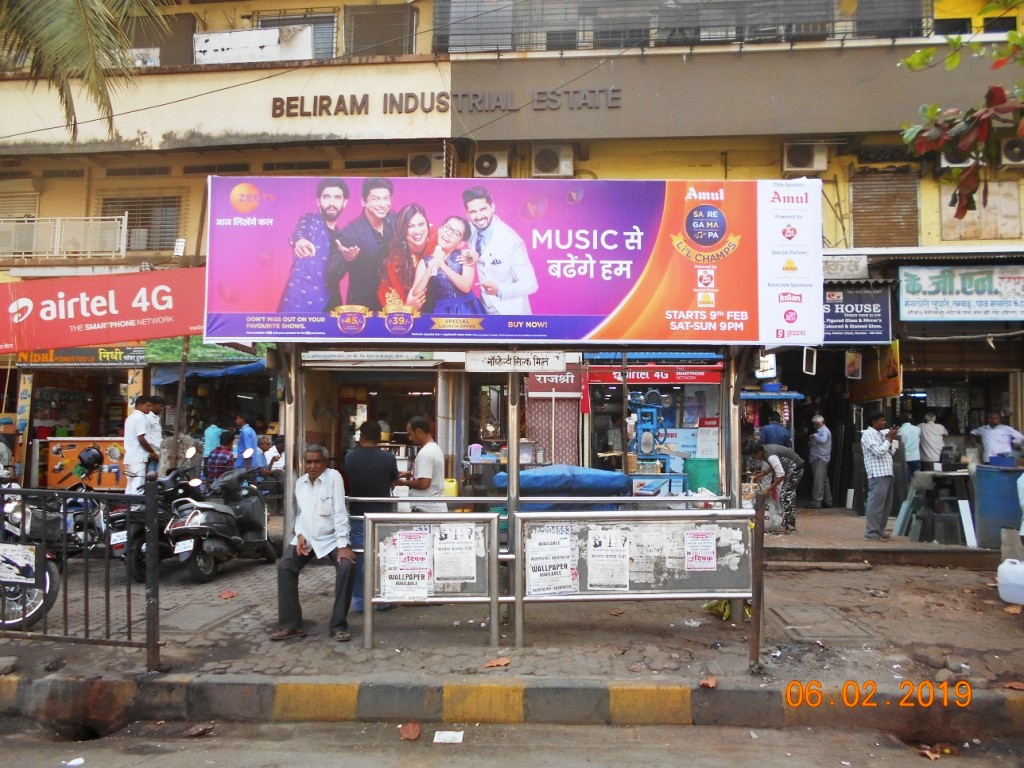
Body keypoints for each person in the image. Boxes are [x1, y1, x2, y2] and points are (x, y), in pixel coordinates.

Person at [271, 445, 357, 643]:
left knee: (346, 566)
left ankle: (338, 625)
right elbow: (300, 513)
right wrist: (299, 533)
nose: (312, 466)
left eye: (317, 461)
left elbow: (340, 512)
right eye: (308, 462)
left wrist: (343, 545)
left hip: (333, 539)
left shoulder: (333, 477)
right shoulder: (300, 483)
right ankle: (291, 625)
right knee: (285, 566)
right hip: (307, 538)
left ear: (325, 463)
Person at [344, 421, 398, 613]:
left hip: (358, 515)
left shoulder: (349, 457)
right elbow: (394, 480)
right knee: (383, 556)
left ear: (362, 436)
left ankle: (359, 602)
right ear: (379, 437)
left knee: (359, 558)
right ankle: (382, 599)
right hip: (382, 515)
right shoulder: (388, 458)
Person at [460, 186, 538, 314]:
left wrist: (501, 290)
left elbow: (531, 284)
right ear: (467, 213)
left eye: (483, 209)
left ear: (493, 207)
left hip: (511, 313)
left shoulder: (512, 241)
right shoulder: (469, 229)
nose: (479, 216)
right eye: (473, 212)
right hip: (484, 310)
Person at [278, 178, 350, 313]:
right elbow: (300, 232)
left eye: (337, 197)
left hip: (332, 305)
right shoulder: (312, 221)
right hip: (301, 305)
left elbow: (335, 275)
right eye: (327, 197)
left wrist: (346, 259)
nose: (332, 203)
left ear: (344, 202)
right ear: (318, 201)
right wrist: (299, 241)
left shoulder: (343, 237)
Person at [327, 177, 397, 311]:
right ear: (363, 201)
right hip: (364, 306)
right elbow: (331, 275)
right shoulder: (350, 233)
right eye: (376, 199)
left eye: (386, 198)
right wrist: (346, 259)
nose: (383, 204)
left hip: (395, 302)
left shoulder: (396, 220)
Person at [407, 215, 484, 315]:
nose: (449, 233)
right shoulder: (425, 262)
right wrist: (428, 273)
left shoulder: (467, 255)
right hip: (440, 311)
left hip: (467, 309)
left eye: (456, 233)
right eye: (447, 227)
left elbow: (466, 286)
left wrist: (442, 264)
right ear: (440, 229)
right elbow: (416, 292)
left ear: (460, 243)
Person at [378, 203, 434, 311]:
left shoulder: (438, 242)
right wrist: (409, 307)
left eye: (421, 224)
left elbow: (460, 248)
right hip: (411, 308)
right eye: (410, 226)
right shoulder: (396, 260)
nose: (418, 231)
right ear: (403, 230)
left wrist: (470, 257)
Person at [745, 441, 804, 532]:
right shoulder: (765, 450)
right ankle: (788, 523)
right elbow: (776, 465)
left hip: (795, 467)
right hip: (790, 467)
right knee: (786, 494)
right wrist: (764, 473)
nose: (755, 459)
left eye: (754, 456)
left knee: (785, 495)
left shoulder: (770, 455)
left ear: (759, 452)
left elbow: (781, 475)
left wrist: (768, 489)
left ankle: (788, 525)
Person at [861, 410, 898, 541]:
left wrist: (889, 438)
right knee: (876, 504)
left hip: (887, 471)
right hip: (877, 473)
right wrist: (888, 439)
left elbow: (892, 451)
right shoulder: (867, 435)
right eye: (882, 420)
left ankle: (880, 530)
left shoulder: (881, 434)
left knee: (886, 505)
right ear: (874, 422)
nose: (884, 422)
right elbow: (878, 451)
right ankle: (871, 532)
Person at [396, 415, 446, 513]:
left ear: (418, 431)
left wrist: (402, 482)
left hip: (425, 508)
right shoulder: (434, 448)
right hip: (432, 506)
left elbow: (424, 483)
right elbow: (429, 474)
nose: (410, 438)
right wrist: (409, 473)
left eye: (410, 434)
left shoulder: (425, 453)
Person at [124, 396, 158, 495]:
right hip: (138, 458)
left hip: (130, 458)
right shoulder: (141, 418)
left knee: (129, 487)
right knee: (137, 488)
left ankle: (128, 508)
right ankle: (135, 509)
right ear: (139, 405)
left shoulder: (130, 418)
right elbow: (141, 439)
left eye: (151, 406)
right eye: (148, 406)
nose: (150, 408)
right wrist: (152, 452)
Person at [806, 415, 833, 509]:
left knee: (818, 480)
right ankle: (828, 500)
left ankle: (817, 501)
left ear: (822, 422)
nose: (815, 426)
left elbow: (823, 440)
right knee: (824, 480)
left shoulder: (824, 431)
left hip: (820, 458)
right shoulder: (821, 431)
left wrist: (814, 435)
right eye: (814, 424)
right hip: (819, 457)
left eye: (816, 424)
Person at [898, 414, 922, 481]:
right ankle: (915, 491)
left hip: (905, 458)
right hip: (916, 457)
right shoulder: (917, 429)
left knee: (908, 480)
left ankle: (910, 491)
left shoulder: (900, 430)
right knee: (917, 480)